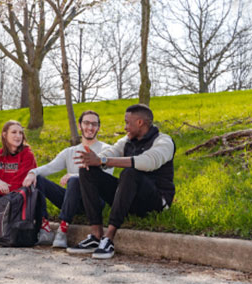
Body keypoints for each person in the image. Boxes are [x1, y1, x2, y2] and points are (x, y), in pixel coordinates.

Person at [73, 104, 175, 259]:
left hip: (154, 202)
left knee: (130, 172)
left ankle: (109, 238)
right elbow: (112, 151)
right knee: (87, 171)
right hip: (130, 198)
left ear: (140, 123)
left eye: (128, 122)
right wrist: (95, 159)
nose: (125, 127)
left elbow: (147, 162)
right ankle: (96, 235)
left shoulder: (164, 141)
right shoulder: (127, 140)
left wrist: (102, 160)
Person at [22, 110, 113, 247]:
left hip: (94, 201)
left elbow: (105, 176)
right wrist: (32, 172)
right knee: (39, 179)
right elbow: (50, 167)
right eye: (86, 123)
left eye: (94, 124)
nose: (90, 127)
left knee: (74, 180)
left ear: (98, 127)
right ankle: (44, 226)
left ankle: (62, 230)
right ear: (80, 125)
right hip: (72, 200)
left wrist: (75, 175)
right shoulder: (70, 151)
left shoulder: (106, 149)